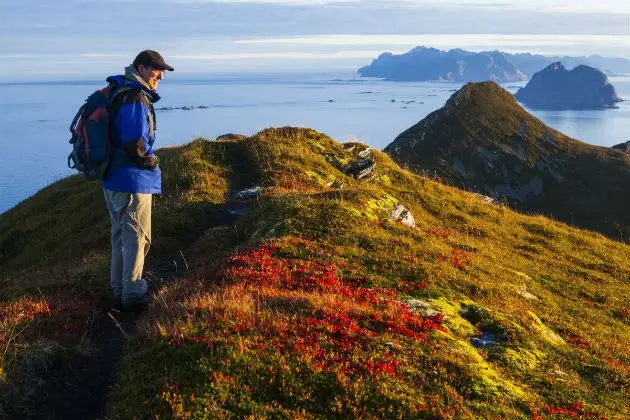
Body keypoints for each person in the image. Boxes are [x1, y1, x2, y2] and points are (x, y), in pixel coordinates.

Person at [102, 50, 174, 310]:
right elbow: (136, 145)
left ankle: (119, 289)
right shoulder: (134, 96)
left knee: (121, 236)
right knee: (137, 236)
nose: (161, 76)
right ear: (141, 68)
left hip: (113, 178)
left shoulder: (119, 91)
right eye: (157, 70)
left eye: (163, 71)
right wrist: (151, 162)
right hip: (132, 180)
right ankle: (132, 292)